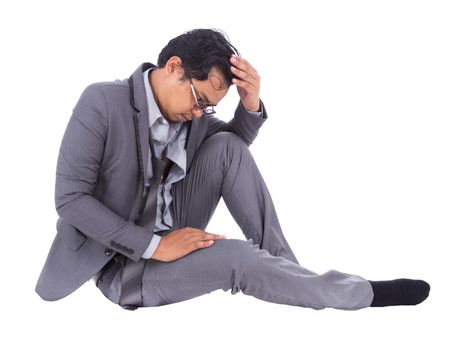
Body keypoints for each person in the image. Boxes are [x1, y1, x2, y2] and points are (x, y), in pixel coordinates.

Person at [36, 28, 430, 311]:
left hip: (174, 228)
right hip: (125, 266)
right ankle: (353, 295)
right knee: (236, 259)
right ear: (174, 67)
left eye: (206, 108)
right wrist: (155, 245)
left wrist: (251, 104)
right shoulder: (102, 101)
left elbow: (232, 147)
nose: (198, 113)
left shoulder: (189, 114)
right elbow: (70, 199)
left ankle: (289, 274)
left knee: (225, 145)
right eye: (198, 99)